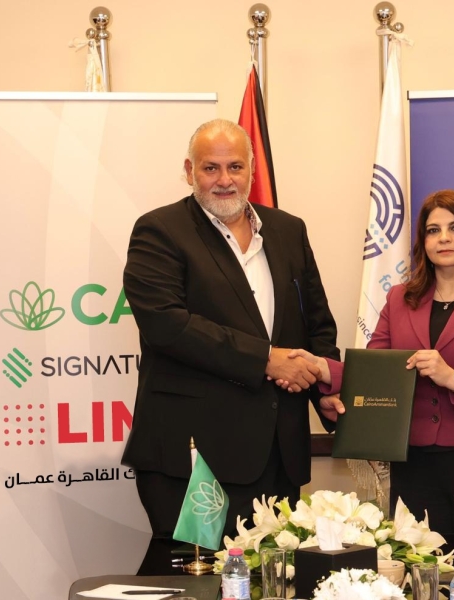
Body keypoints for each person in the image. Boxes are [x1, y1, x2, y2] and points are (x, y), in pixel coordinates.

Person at [122, 118, 343, 575]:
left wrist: (324, 387)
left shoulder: (288, 230)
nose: (224, 179)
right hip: (194, 456)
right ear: (189, 171)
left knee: (270, 577)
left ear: (252, 170)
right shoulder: (159, 230)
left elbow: (317, 325)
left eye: (235, 167)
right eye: (211, 168)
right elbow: (167, 325)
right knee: (192, 578)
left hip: (278, 454)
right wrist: (265, 359)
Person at [289, 189, 454, 536]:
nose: (444, 238)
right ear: (423, 242)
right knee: (422, 561)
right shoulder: (400, 299)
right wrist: (323, 368)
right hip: (415, 462)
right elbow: (376, 371)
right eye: (433, 230)